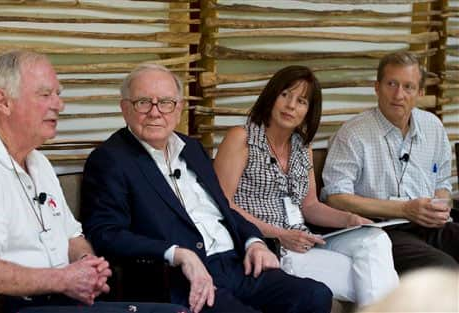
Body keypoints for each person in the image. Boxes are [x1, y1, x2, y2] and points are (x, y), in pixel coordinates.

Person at [0, 51, 188, 313]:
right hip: (13, 307)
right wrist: (66, 279)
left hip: (60, 301)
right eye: (45, 94)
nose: (59, 105)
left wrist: (87, 263)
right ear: (3, 101)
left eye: (58, 94)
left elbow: (73, 236)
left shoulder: (38, 162)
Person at [81, 63, 333, 313]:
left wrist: (253, 241)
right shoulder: (110, 159)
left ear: (178, 108)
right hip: (179, 278)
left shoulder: (191, 148)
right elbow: (105, 234)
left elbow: (225, 208)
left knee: (314, 295)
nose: (155, 112)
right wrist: (176, 253)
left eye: (166, 102)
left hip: (236, 264)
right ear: (125, 108)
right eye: (143, 102)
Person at [213, 65, 399, 306]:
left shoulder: (302, 146)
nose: (291, 105)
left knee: (376, 239)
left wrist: (349, 219)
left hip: (305, 239)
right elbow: (221, 204)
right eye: (285, 95)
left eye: (301, 101)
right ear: (271, 96)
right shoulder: (242, 137)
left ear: (308, 110)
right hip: (271, 246)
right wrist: (281, 234)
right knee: (380, 280)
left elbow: (309, 205)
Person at [321, 51, 459, 274]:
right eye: (391, 84)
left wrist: (440, 208)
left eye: (408, 87)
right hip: (381, 230)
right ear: (377, 87)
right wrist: (404, 209)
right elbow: (335, 198)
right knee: (444, 269)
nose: (398, 94)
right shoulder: (353, 133)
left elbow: (442, 184)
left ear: (420, 93)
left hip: (429, 225)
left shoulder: (433, 126)